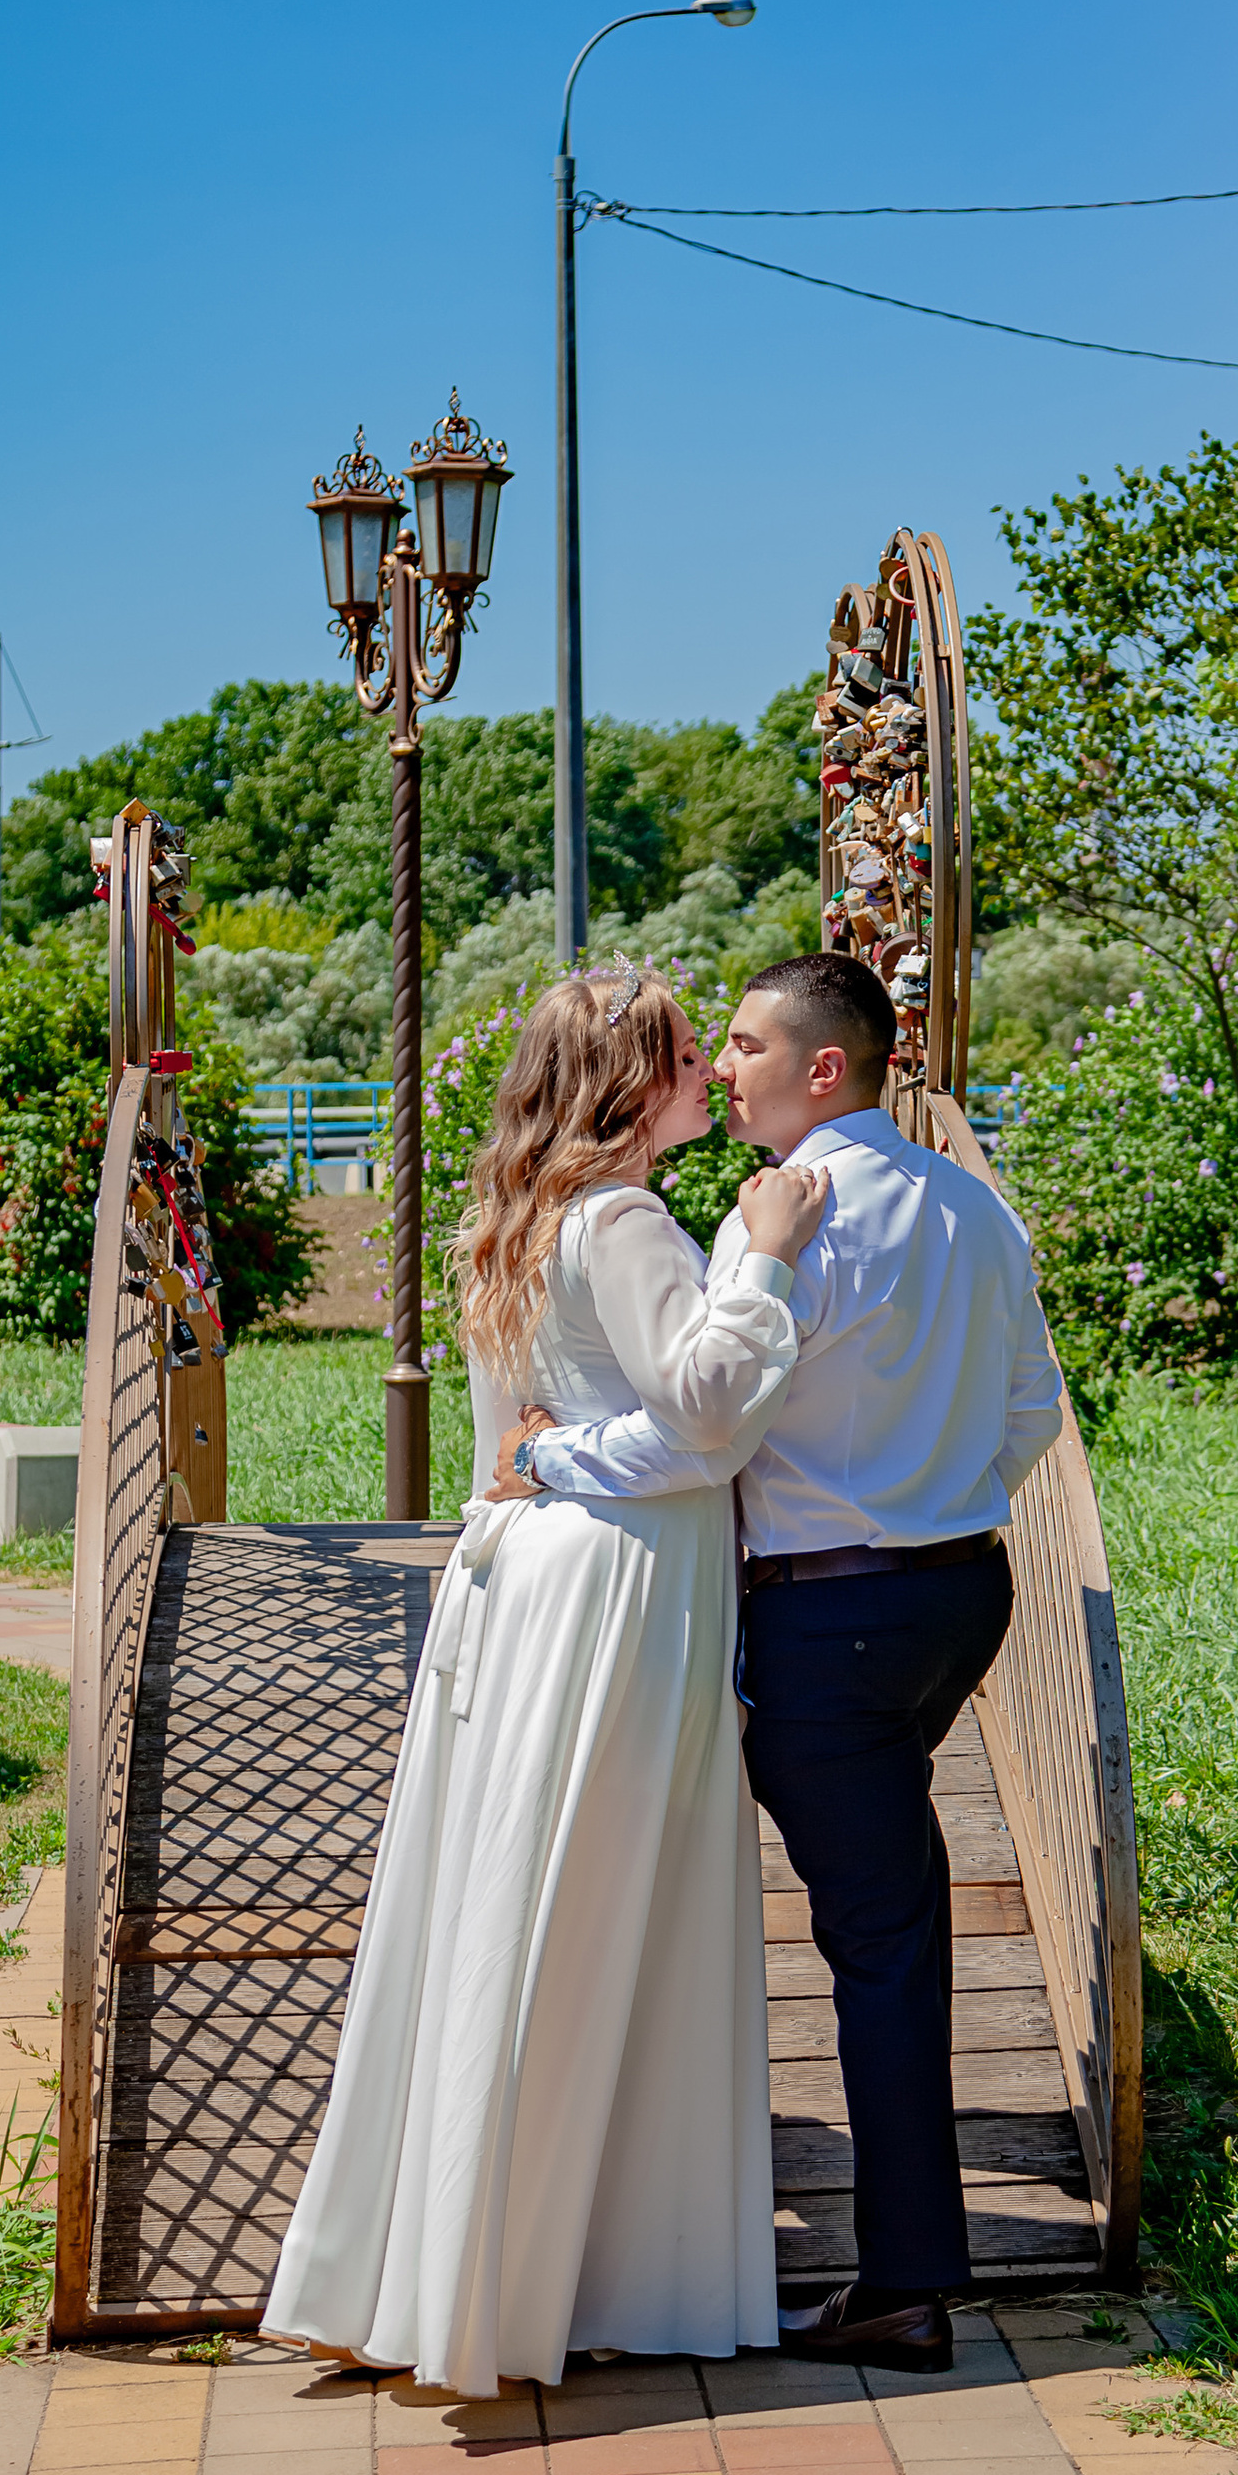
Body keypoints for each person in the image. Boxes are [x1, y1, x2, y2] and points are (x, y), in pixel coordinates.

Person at [263, 961, 829, 2398]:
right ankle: (575, 2274)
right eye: (692, 1054)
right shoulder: (626, 1215)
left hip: (521, 1572)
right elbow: (700, 1409)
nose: (714, 1072)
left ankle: (463, 2268)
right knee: (597, 1912)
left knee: (511, 1908)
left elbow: (508, 1436)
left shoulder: (511, 1221)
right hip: (618, 1581)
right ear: (635, 1086)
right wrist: (761, 1256)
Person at [505, 949, 1062, 2375]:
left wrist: (552, 1456)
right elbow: (1031, 1410)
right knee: (887, 1914)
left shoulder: (799, 1229)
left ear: (828, 1068)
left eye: (746, 1046)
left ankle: (906, 2284)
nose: (722, 1066)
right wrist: (935, 1501)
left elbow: (713, 1426)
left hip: (831, 1623)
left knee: (880, 1943)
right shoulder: (973, 1210)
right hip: (958, 1596)